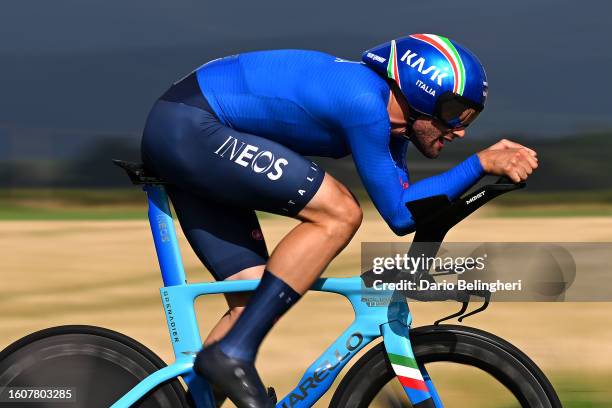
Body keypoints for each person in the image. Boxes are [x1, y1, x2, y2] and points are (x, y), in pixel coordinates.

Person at [140, 34, 538, 407]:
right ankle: (232, 353)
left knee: (250, 298)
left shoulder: (390, 127)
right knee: (340, 212)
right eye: (454, 113)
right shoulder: (364, 103)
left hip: (189, 129)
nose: (461, 130)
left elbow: (408, 214)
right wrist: (480, 163)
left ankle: (203, 387)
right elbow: (400, 212)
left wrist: (429, 253)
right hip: (191, 126)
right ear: (421, 91)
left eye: (470, 116)